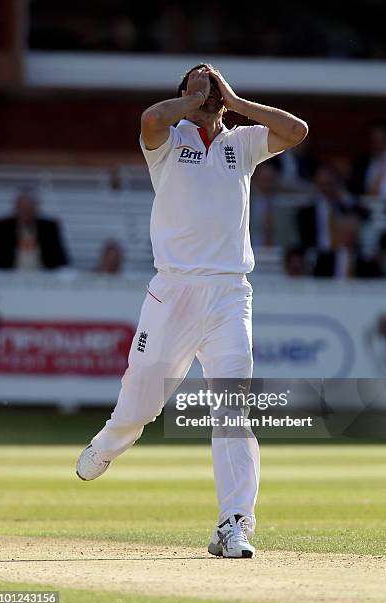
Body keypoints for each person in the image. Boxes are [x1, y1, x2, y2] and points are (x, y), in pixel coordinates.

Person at [76, 63, 308, 558]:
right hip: (174, 291)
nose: (207, 93)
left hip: (229, 293)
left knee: (233, 408)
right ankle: (108, 444)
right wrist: (195, 99)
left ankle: (234, 523)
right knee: (142, 404)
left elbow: (297, 131)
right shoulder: (168, 138)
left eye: (213, 86)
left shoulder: (242, 143)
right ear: (182, 93)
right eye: (197, 85)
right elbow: (150, 117)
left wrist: (233, 101)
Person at [297, 164, 367, 252]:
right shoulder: (306, 213)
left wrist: (346, 199)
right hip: (319, 255)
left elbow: (364, 216)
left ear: (337, 183)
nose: (326, 189)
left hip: (344, 254)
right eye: (322, 184)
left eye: (329, 184)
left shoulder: (346, 205)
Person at [0, 192, 69, 270]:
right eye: (22, 208)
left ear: (36, 208)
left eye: (29, 208)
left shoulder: (49, 227)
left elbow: (59, 255)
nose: (26, 211)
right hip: (10, 273)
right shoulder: (2, 227)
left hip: (42, 273)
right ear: (16, 208)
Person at [313, 214, 381, 278]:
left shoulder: (366, 260)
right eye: (344, 232)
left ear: (357, 235)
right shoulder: (325, 259)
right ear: (338, 233)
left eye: (351, 232)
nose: (347, 236)